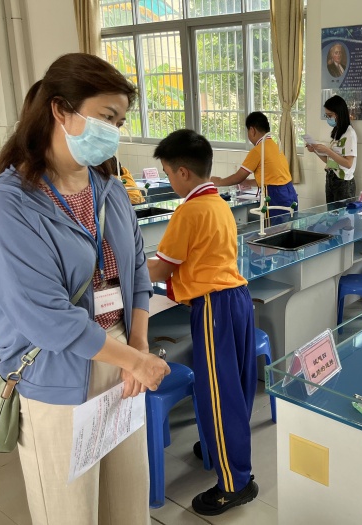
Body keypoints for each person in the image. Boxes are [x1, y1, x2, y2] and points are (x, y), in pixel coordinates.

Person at [0, 53, 170, 525]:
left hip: (122, 361)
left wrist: (138, 348)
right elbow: (45, 317)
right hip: (57, 373)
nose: (114, 131)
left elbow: (136, 272)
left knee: (128, 504)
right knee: (70, 513)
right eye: (106, 117)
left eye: (119, 122)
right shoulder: (9, 206)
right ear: (61, 110)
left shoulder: (110, 190)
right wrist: (135, 360)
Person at [148, 129, 259, 516]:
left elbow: (161, 268)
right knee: (234, 388)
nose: (168, 180)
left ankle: (234, 484)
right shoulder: (217, 203)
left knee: (218, 394)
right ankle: (222, 449)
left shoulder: (189, 210)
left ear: (182, 172)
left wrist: (123, 267)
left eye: (167, 173)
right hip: (236, 300)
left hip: (214, 307)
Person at [211, 111, 297, 221]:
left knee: (274, 229)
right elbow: (273, 178)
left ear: (252, 130)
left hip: (275, 196)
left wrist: (219, 181)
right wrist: (248, 182)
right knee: (287, 227)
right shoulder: (275, 146)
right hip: (289, 193)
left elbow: (238, 177)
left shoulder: (258, 150)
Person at [306, 95, 358, 203]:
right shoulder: (337, 132)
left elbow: (348, 163)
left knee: (342, 214)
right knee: (331, 213)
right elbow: (330, 161)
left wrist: (327, 150)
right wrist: (315, 150)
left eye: (330, 115)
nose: (328, 118)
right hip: (331, 178)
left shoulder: (349, 134)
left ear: (339, 113)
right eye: (327, 115)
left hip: (344, 183)